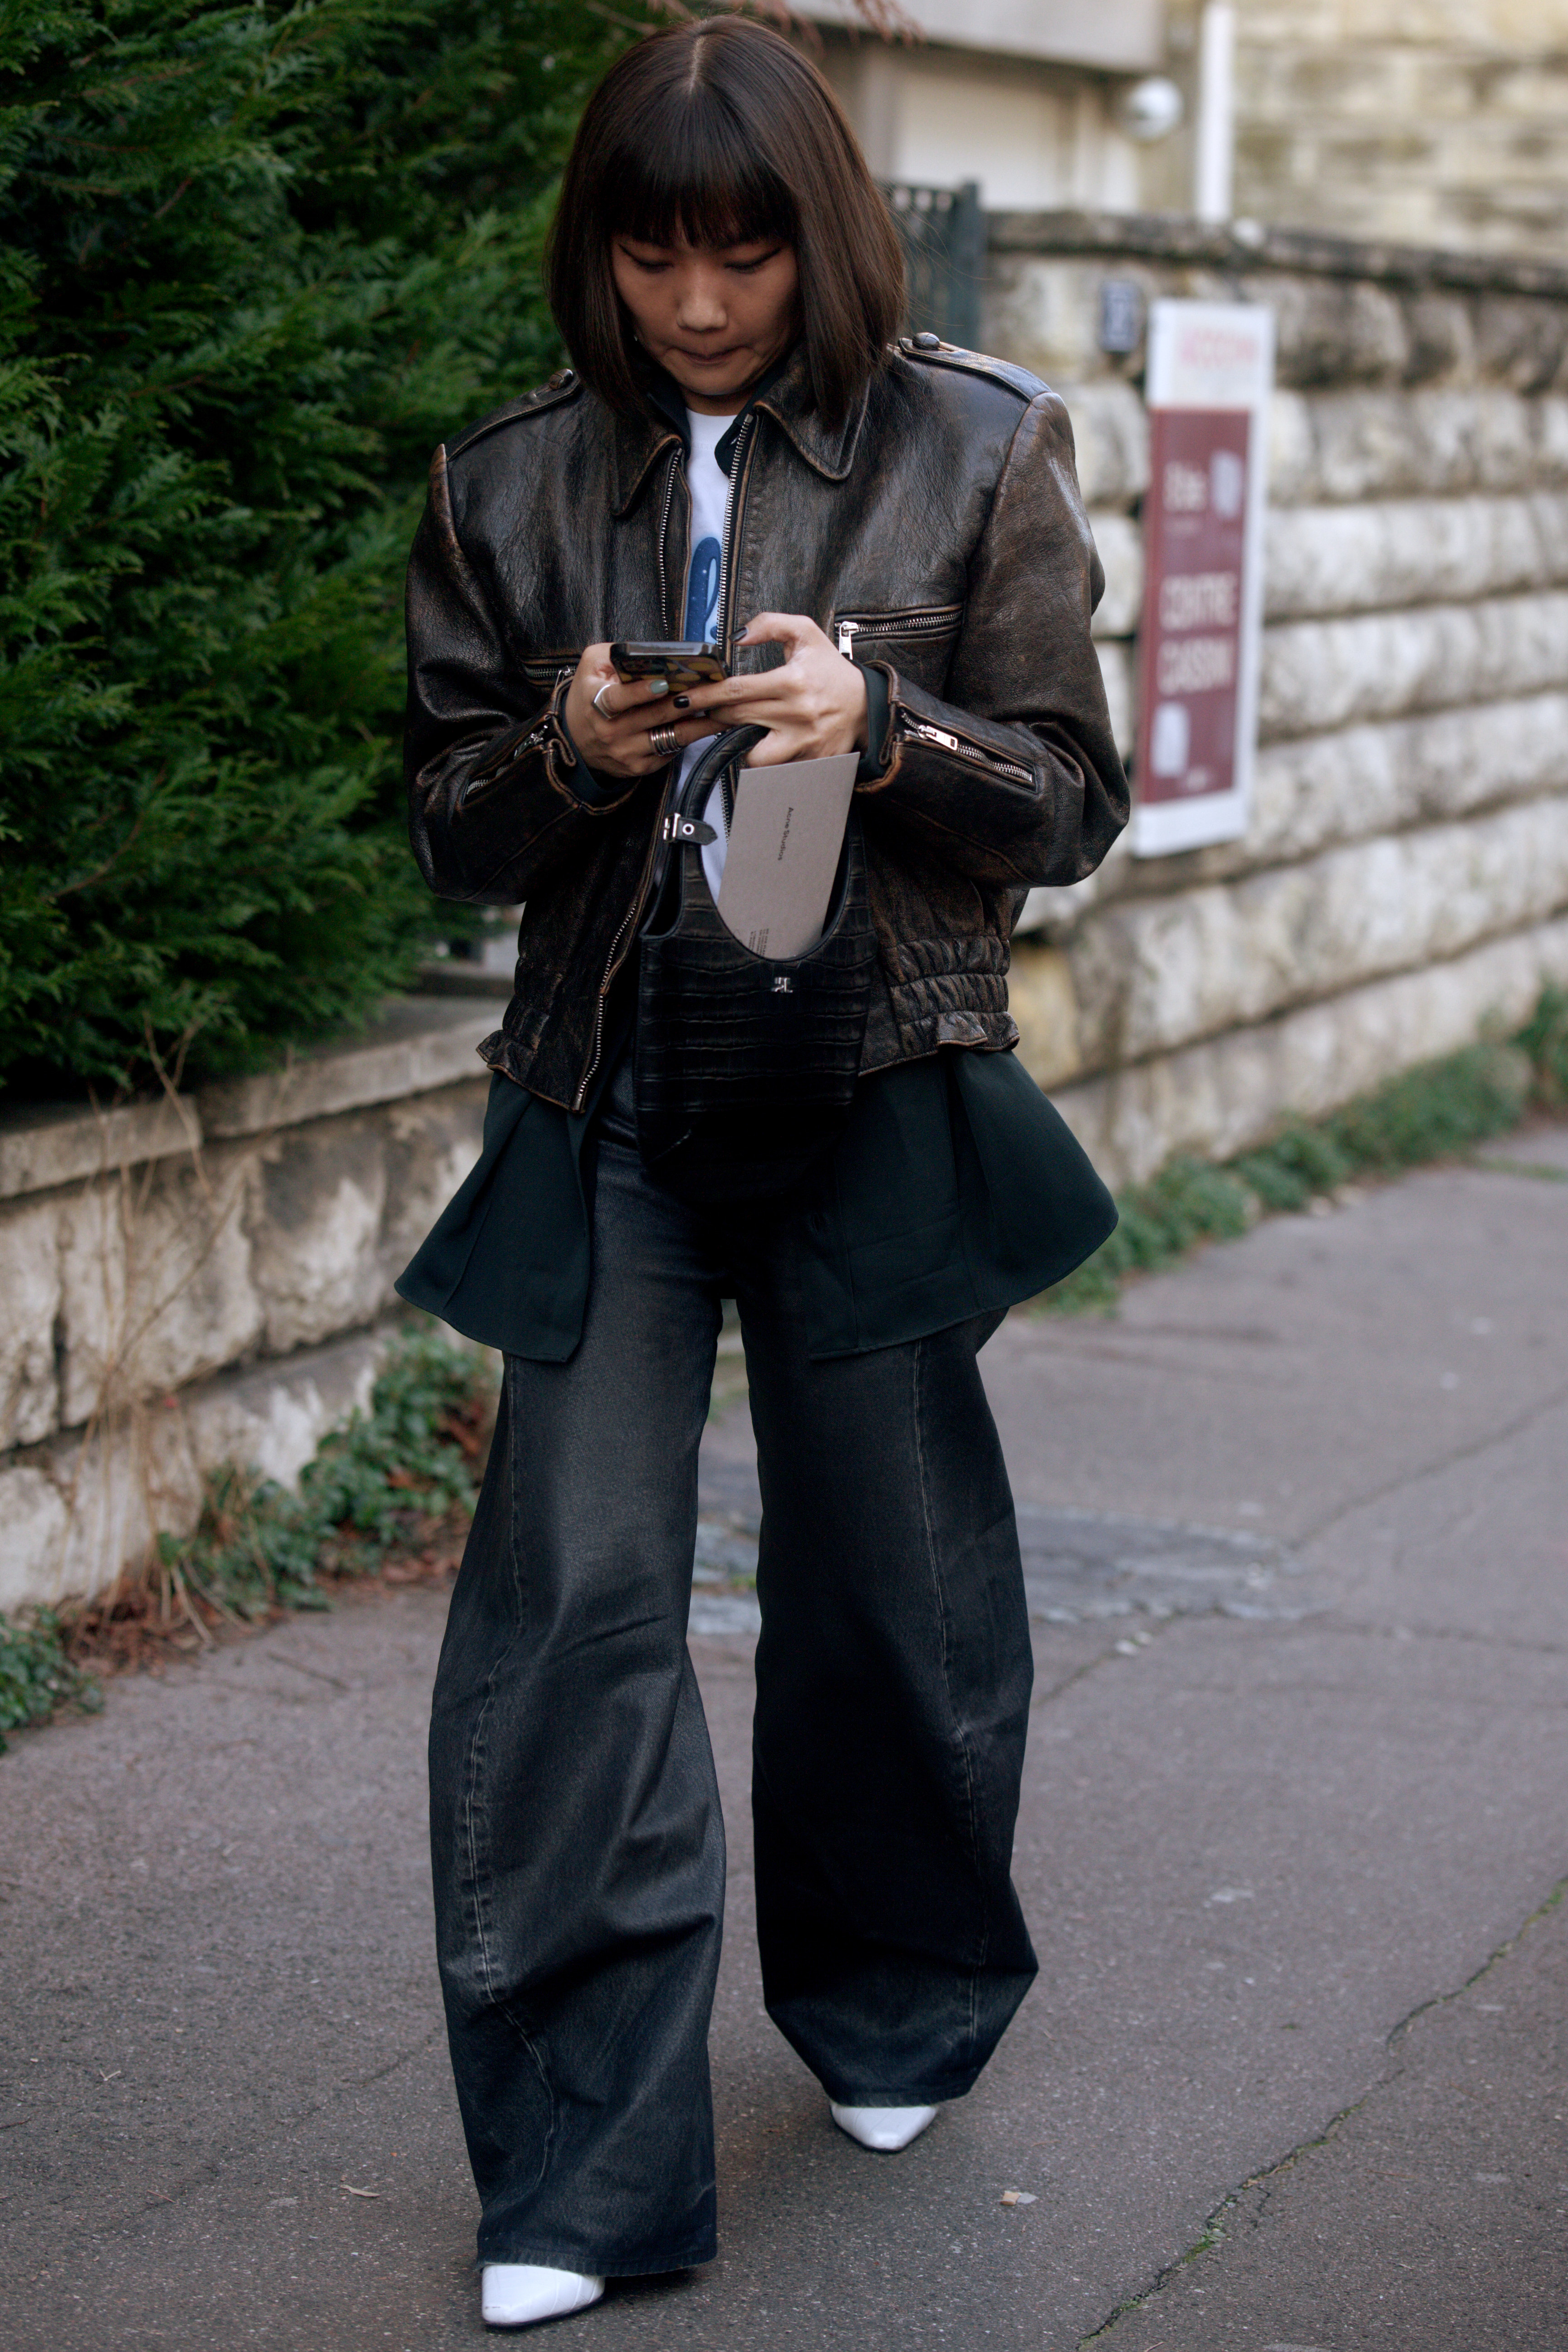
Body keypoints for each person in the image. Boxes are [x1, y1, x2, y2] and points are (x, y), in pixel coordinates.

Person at [398, 15, 1127, 2331]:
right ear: (596, 252)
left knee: (888, 1598)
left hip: (879, 1091)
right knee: (578, 1615)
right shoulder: (504, 481)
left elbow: (1073, 805)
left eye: (743, 252)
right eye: (653, 254)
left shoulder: (982, 445)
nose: (700, 303)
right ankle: (580, 2177)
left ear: (823, 233)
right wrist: (569, 741)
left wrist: (882, 722)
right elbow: (439, 823)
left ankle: (898, 1996)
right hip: (607, 1107)